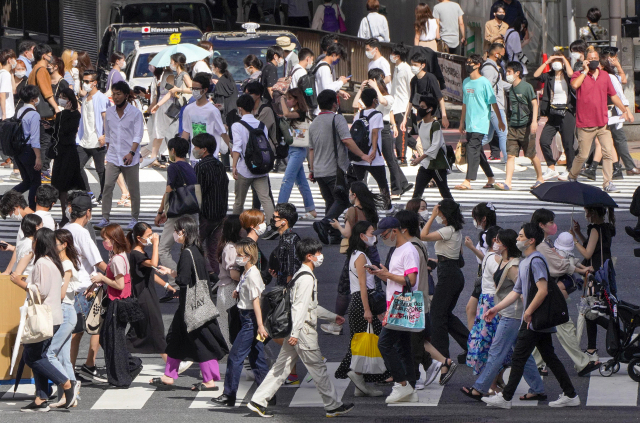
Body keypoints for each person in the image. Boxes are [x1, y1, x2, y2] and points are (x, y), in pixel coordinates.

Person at [247, 238, 352, 418]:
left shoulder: (300, 275)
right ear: (309, 256)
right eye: (318, 253)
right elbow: (300, 307)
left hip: (296, 330)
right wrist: (295, 333)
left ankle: (258, 401)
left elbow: (308, 305)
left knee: (281, 368)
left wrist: (332, 316)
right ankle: (333, 405)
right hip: (303, 331)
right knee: (318, 368)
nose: (321, 256)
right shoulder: (307, 278)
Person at [482, 223, 580, 409]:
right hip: (535, 318)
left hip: (535, 318)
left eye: (520, 236)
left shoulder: (536, 260)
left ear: (531, 240)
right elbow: (517, 291)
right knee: (549, 357)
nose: (517, 239)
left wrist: (527, 312)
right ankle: (570, 394)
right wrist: (496, 308)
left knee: (519, 356)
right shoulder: (526, 261)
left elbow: (542, 290)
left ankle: (506, 398)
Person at [460, 228, 546, 401]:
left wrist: (526, 311)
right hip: (506, 313)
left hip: (512, 315)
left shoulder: (513, 266)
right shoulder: (504, 261)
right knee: (522, 355)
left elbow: (521, 291)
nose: (494, 243)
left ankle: (480, 388)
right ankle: (537, 388)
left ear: (505, 245)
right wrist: (496, 309)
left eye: (498, 241)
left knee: (496, 351)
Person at [149, 216, 229, 391]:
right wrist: (171, 271)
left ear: (183, 232)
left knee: (198, 342)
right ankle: (169, 376)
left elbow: (185, 279)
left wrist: (175, 280)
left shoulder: (186, 253)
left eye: (177, 231)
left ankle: (207, 381)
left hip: (190, 307)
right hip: (198, 304)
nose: (175, 235)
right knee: (178, 339)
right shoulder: (196, 251)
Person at [12, 228, 79, 412]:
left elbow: (40, 292)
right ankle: (41, 398)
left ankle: (65, 383)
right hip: (54, 316)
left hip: (44, 316)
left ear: (39, 243)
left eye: (34, 241)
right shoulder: (53, 262)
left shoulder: (42, 262)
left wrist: (20, 283)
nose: (31, 243)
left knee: (31, 356)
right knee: (38, 355)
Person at [531, 209, 600, 377]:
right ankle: (581, 363)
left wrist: (579, 268)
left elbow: (560, 261)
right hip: (548, 290)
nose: (554, 226)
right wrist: (580, 270)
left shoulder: (544, 241)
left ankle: (537, 365)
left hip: (545, 290)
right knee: (565, 326)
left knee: (541, 330)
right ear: (541, 225)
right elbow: (558, 266)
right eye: (551, 223)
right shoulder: (540, 244)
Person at [212, 238, 270, 406]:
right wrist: (238, 292)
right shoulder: (247, 272)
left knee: (235, 357)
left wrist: (260, 325)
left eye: (240, 254)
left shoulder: (252, 274)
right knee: (257, 359)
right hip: (247, 318)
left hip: (250, 322)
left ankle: (229, 395)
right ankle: (267, 394)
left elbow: (256, 302)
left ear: (249, 255)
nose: (237, 257)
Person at [367, 217, 419, 402]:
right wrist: (383, 274)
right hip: (397, 303)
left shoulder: (408, 250)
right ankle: (410, 388)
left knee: (385, 344)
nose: (382, 238)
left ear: (395, 231)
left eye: (384, 234)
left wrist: (387, 274)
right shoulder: (398, 249)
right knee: (403, 346)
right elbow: (397, 279)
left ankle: (402, 384)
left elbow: (410, 281)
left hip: (401, 304)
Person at [568, 46, 634, 192]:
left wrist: (625, 110)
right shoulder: (578, 75)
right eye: (590, 59)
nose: (593, 62)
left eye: (595, 59)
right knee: (583, 155)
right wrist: (585, 71)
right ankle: (572, 176)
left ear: (599, 60)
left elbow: (614, 95)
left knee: (608, 152)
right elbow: (574, 85)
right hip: (585, 123)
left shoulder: (604, 76)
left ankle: (607, 183)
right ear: (585, 60)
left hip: (603, 122)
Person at [309, 90, 370, 244]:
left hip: (319, 170)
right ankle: (324, 224)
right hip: (334, 170)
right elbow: (347, 140)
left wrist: (311, 170)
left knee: (330, 202)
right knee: (343, 200)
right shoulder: (337, 119)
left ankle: (334, 234)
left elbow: (311, 149)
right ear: (335, 103)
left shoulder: (314, 122)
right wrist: (363, 155)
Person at [334, 220, 387, 394]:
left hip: (360, 301)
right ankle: (356, 374)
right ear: (362, 236)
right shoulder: (361, 256)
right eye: (372, 233)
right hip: (362, 301)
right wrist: (367, 309)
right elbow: (363, 286)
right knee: (367, 340)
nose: (375, 236)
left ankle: (360, 385)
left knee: (361, 340)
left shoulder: (357, 254)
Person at [327, 181, 384, 335]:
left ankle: (338, 323)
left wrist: (337, 226)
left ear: (355, 195)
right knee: (376, 286)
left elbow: (347, 233)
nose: (349, 195)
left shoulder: (352, 211)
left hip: (358, 251)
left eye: (350, 192)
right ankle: (380, 317)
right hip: (373, 252)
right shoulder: (371, 210)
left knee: (345, 287)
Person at [62, 192, 108, 383]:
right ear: (88, 212)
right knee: (91, 327)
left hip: (70, 285)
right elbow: (98, 262)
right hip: (85, 287)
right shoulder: (83, 234)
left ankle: (73, 368)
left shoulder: (64, 228)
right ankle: (82, 367)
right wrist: (116, 276)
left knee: (75, 330)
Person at [90, 224, 143, 387]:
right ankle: (128, 367)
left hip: (118, 302)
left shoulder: (118, 259)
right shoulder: (117, 256)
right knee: (109, 338)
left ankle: (125, 371)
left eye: (105, 239)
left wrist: (102, 278)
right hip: (119, 301)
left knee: (113, 339)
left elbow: (119, 285)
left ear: (113, 240)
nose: (103, 241)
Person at [420, 199, 469, 364]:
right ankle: (471, 346)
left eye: (439, 212)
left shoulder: (448, 230)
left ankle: (441, 356)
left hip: (448, 276)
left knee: (437, 315)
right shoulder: (455, 231)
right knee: (445, 314)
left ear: (444, 214)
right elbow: (456, 256)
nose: (437, 215)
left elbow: (423, 235)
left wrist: (432, 216)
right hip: (453, 274)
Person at [94, 81, 144, 231]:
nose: (115, 97)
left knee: (133, 189)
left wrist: (132, 152)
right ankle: (105, 218)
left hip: (131, 157)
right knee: (107, 186)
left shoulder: (135, 113)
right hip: (114, 156)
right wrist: (109, 152)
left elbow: (138, 135)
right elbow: (108, 135)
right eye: (113, 94)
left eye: (118, 94)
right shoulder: (109, 113)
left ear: (126, 95)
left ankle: (134, 218)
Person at [155, 137, 199, 297]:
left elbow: (168, 190)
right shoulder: (191, 167)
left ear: (173, 151)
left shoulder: (173, 167)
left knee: (163, 249)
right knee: (189, 248)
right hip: (192, 210)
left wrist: (161, 212)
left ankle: (176, 284)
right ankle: (191, 281)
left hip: (176, 213)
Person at [571, 206, 615, 361]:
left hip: (595, 273)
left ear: (593, 213)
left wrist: (574, 239)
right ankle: (591, 348)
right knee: (593, 310)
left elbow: (588, 253)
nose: (585, 215)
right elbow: (593, 246)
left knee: (592, 312)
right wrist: (579, 233)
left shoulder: (596, 229)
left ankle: (620, 336)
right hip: (604, 271)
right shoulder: (605, 227)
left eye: (586, 211)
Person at [457, 54, 505, 190]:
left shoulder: (484, 82)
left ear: (478, 65)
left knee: (472, 149)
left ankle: (468, 180)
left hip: (481, 121)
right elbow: (465, 104)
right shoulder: (466, 82)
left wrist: (500, 121)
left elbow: (493, 102)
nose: (468, 65)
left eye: (470, 62)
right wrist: (461, 122)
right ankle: (490, 178)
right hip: (470, 122)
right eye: (467, 62)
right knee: (478, 151)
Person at [494, 61, 544, 191]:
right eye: (507, 71)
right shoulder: (510, 89)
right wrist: (502, 121)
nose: (508, 74)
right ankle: (508, 183)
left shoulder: (526, 87)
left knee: (531, 154)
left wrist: (534, 122)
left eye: (510, 72)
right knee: (510, 155)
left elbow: (534, 104)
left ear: (517, 73)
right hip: (513, 126)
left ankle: (540, 178)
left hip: (526, 126)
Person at [126, 222, 172, 356]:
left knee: (141, 330)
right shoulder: (136, 254)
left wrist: (166, 285)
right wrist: (157, 244)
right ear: (139, 238)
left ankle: (121, 354)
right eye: (149, 235)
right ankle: (171, 365)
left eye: (152, 234)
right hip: (143, 296)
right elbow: (154, 264)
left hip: (147, 294)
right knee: (155, 328)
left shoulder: (141, 252)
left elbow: (150, 273)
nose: (152, 237)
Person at [47, 229, 80, 408]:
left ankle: (71, 386)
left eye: (55, 242)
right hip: (65, 312)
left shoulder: (66, 265)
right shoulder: (61, 263)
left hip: (66, 312)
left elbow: (61, 294)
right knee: (64, 358)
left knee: (50, 353)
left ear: (64, 244)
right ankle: (68, 397)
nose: (53, 245)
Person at [230, 94, 275, 222]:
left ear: (240, 108)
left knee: (239, 201)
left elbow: (237, 147)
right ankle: (273, 225)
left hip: (244, 169)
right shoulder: (261, 125)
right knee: (265, 198)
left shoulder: (237, 125)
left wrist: (234, 166)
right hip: (261, 168)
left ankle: (235, 226)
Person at [465, 226, 502, 375]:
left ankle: (494, 380)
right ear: (495, 240)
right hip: (494, 302)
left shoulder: (488, 256)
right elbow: (500, 282)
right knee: (496, 342)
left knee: (489, 339)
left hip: (485, 301)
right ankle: (492, 383)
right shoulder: (495, 259)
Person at [534, 54, 576, 181]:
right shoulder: (549, 76)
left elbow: (571, 74)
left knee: (568, 143)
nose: (556, 63)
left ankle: (570, 169)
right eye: (554, 61)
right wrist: (547, 62)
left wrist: (564, 59)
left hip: (567, 112)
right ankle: (551, 167)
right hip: (553, 112)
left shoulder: (568, 78)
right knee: (544, 140)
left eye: (558, 61)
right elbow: (536, 75)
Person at [277, 88, 317, 219]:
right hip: (293, 149)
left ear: (296, 100)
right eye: (287, 98)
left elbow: (286, 114)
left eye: (289, 98)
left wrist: (281, 99)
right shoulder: (298, 112)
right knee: (301, 182)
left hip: (298, 150)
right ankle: (311, 209)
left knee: (287, 180)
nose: (287, 101)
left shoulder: (300, 112)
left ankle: (280, 210)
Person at [350, 88, 392, 210]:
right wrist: (374, 150)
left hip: (359, 155)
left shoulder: (358, 114)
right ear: (374, 100)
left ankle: (360, 207)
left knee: (358, 184)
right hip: (374, 157)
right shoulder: (377, 114)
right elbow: (374, 132)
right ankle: (388, 207)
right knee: (382, 183)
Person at [193, 133, 229, 275]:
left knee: (194, 245)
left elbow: (197, 192)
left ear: (204, 149)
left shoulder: (200, 167)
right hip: (220, 213)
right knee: (214, 249)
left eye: (196, 147)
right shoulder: (219, 165)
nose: (194, 149)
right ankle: (218, 276)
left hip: (206, 214)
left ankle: (205, 274)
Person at [600, 52, 640, 177]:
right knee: (611, 140)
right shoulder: (605, 76)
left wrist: (626, 111)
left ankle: (625, 167)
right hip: (606, 112)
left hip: (613, 112)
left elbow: (620, 94)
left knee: (617, 139)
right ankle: (623, 167)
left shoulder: (610, 77)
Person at [77, 70, 110, 204]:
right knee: (77, 166)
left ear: (94, 83)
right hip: (84, 140)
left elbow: (106, 118)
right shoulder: (85, 98)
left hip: (97, 140)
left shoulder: (101, 98)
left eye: (87, 82)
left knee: (100, 170)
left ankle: (104, 194)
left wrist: (105, 135)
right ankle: (88, 192)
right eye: (83, 81)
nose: (84, 84)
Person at [181, 72, 231, 159]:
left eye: (197, 89)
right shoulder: (188, 109)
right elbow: (186, 131)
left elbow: (222, 132)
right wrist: (180, 152)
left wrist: (231, 148)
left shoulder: (212, 110)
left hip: (210, 157)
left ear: (205, 90)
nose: (194, 91)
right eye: (193, 89)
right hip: (195, 156)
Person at [51, 88, 83, 224]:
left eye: (64, 97)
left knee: (68, 184)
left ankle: (73, 212)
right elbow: (56, 131)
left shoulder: (75, 115)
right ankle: (65, 213)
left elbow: (67, 130)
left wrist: (64, 115)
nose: (61, 99)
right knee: (58, 185)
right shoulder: (60, 114)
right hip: (59, 153)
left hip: (69, 152)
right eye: (60, 96)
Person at [463, 202, 497, 330]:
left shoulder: (486, 235)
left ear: (483, 219)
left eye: (475, 218)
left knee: (472, 309)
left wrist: (471, 247)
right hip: (490, 276)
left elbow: (486, 259)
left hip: (486, 276)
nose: (474, 221)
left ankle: (473, 342)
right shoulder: (496, 232)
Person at [411, 95, 452, 200]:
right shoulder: (420, 125)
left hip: (437, 163)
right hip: (426, 164)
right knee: (417, 192)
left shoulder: (435, 125)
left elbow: (435, 145)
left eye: (422, 107)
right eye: (419, 106)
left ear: (430, 109)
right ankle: (412, 213)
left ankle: (454, 212)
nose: (420, 109)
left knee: (445, 192)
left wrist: (420, 158)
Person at [400, 53, 450, 138]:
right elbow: (411, 100)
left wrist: (444, 116)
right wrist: (405, 117)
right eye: (411, 64)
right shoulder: (413, 80)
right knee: (422, 140)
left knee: (432, 137)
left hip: (432, 113)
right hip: (421, 113)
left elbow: (440, 97)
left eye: (415, 65)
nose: (413, 67)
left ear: (422, 65)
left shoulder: (430, 78)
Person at [12, 85, 43, 210]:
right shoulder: (34, 115)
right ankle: (32, 209)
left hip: (18, 151)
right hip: (29, 151)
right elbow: (35, 139)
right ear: (34, 99)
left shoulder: (20, 111)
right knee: (35, 182)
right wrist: (38, 157)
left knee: (27, 181)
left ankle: (5, 198)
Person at [480, 43, 509, 164]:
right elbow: (486, 87)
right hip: (495, 106)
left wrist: (515, 86)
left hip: (494, 106)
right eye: (502, 54)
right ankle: (508, 159)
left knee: (488, 136)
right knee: (503, 133)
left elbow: (499, 84)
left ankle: (469, 150)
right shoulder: (489, 69)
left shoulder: (492, 68)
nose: (503, 56)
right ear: (496, 54)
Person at [217, 215, 243, 346]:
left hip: (226, 288)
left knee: (227, 324)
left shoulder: (228, 245)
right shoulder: (231, 248)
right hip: (230, 289)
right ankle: (230, 358)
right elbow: (234, 274)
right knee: (229, 326)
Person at [390, 43, 412, 166]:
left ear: (397, 56)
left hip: (404, 104)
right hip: (395, 104)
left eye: (393, 54)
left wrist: (411, 106)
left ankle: (402, 158)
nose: (391, 56)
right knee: (400, 133)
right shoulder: (396, 68)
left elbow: (411, 87)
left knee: (401, 132)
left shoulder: (406, 69)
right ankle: (418, 146)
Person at [212, 57, 238, 125]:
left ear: (217, 68)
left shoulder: (220, 83)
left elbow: (219, 105)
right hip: (234, 112)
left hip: (225, 118)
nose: (212, 67)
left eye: (212, 66)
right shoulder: (229, 78)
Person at [0, 49, 16, 120]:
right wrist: (4, 114)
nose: (15, 62)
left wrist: (11, 73)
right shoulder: (5, 75)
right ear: (9, 60)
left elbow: (14, 90)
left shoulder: (5, 74)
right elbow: (2, 94)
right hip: (6, 114)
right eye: (14, 59)